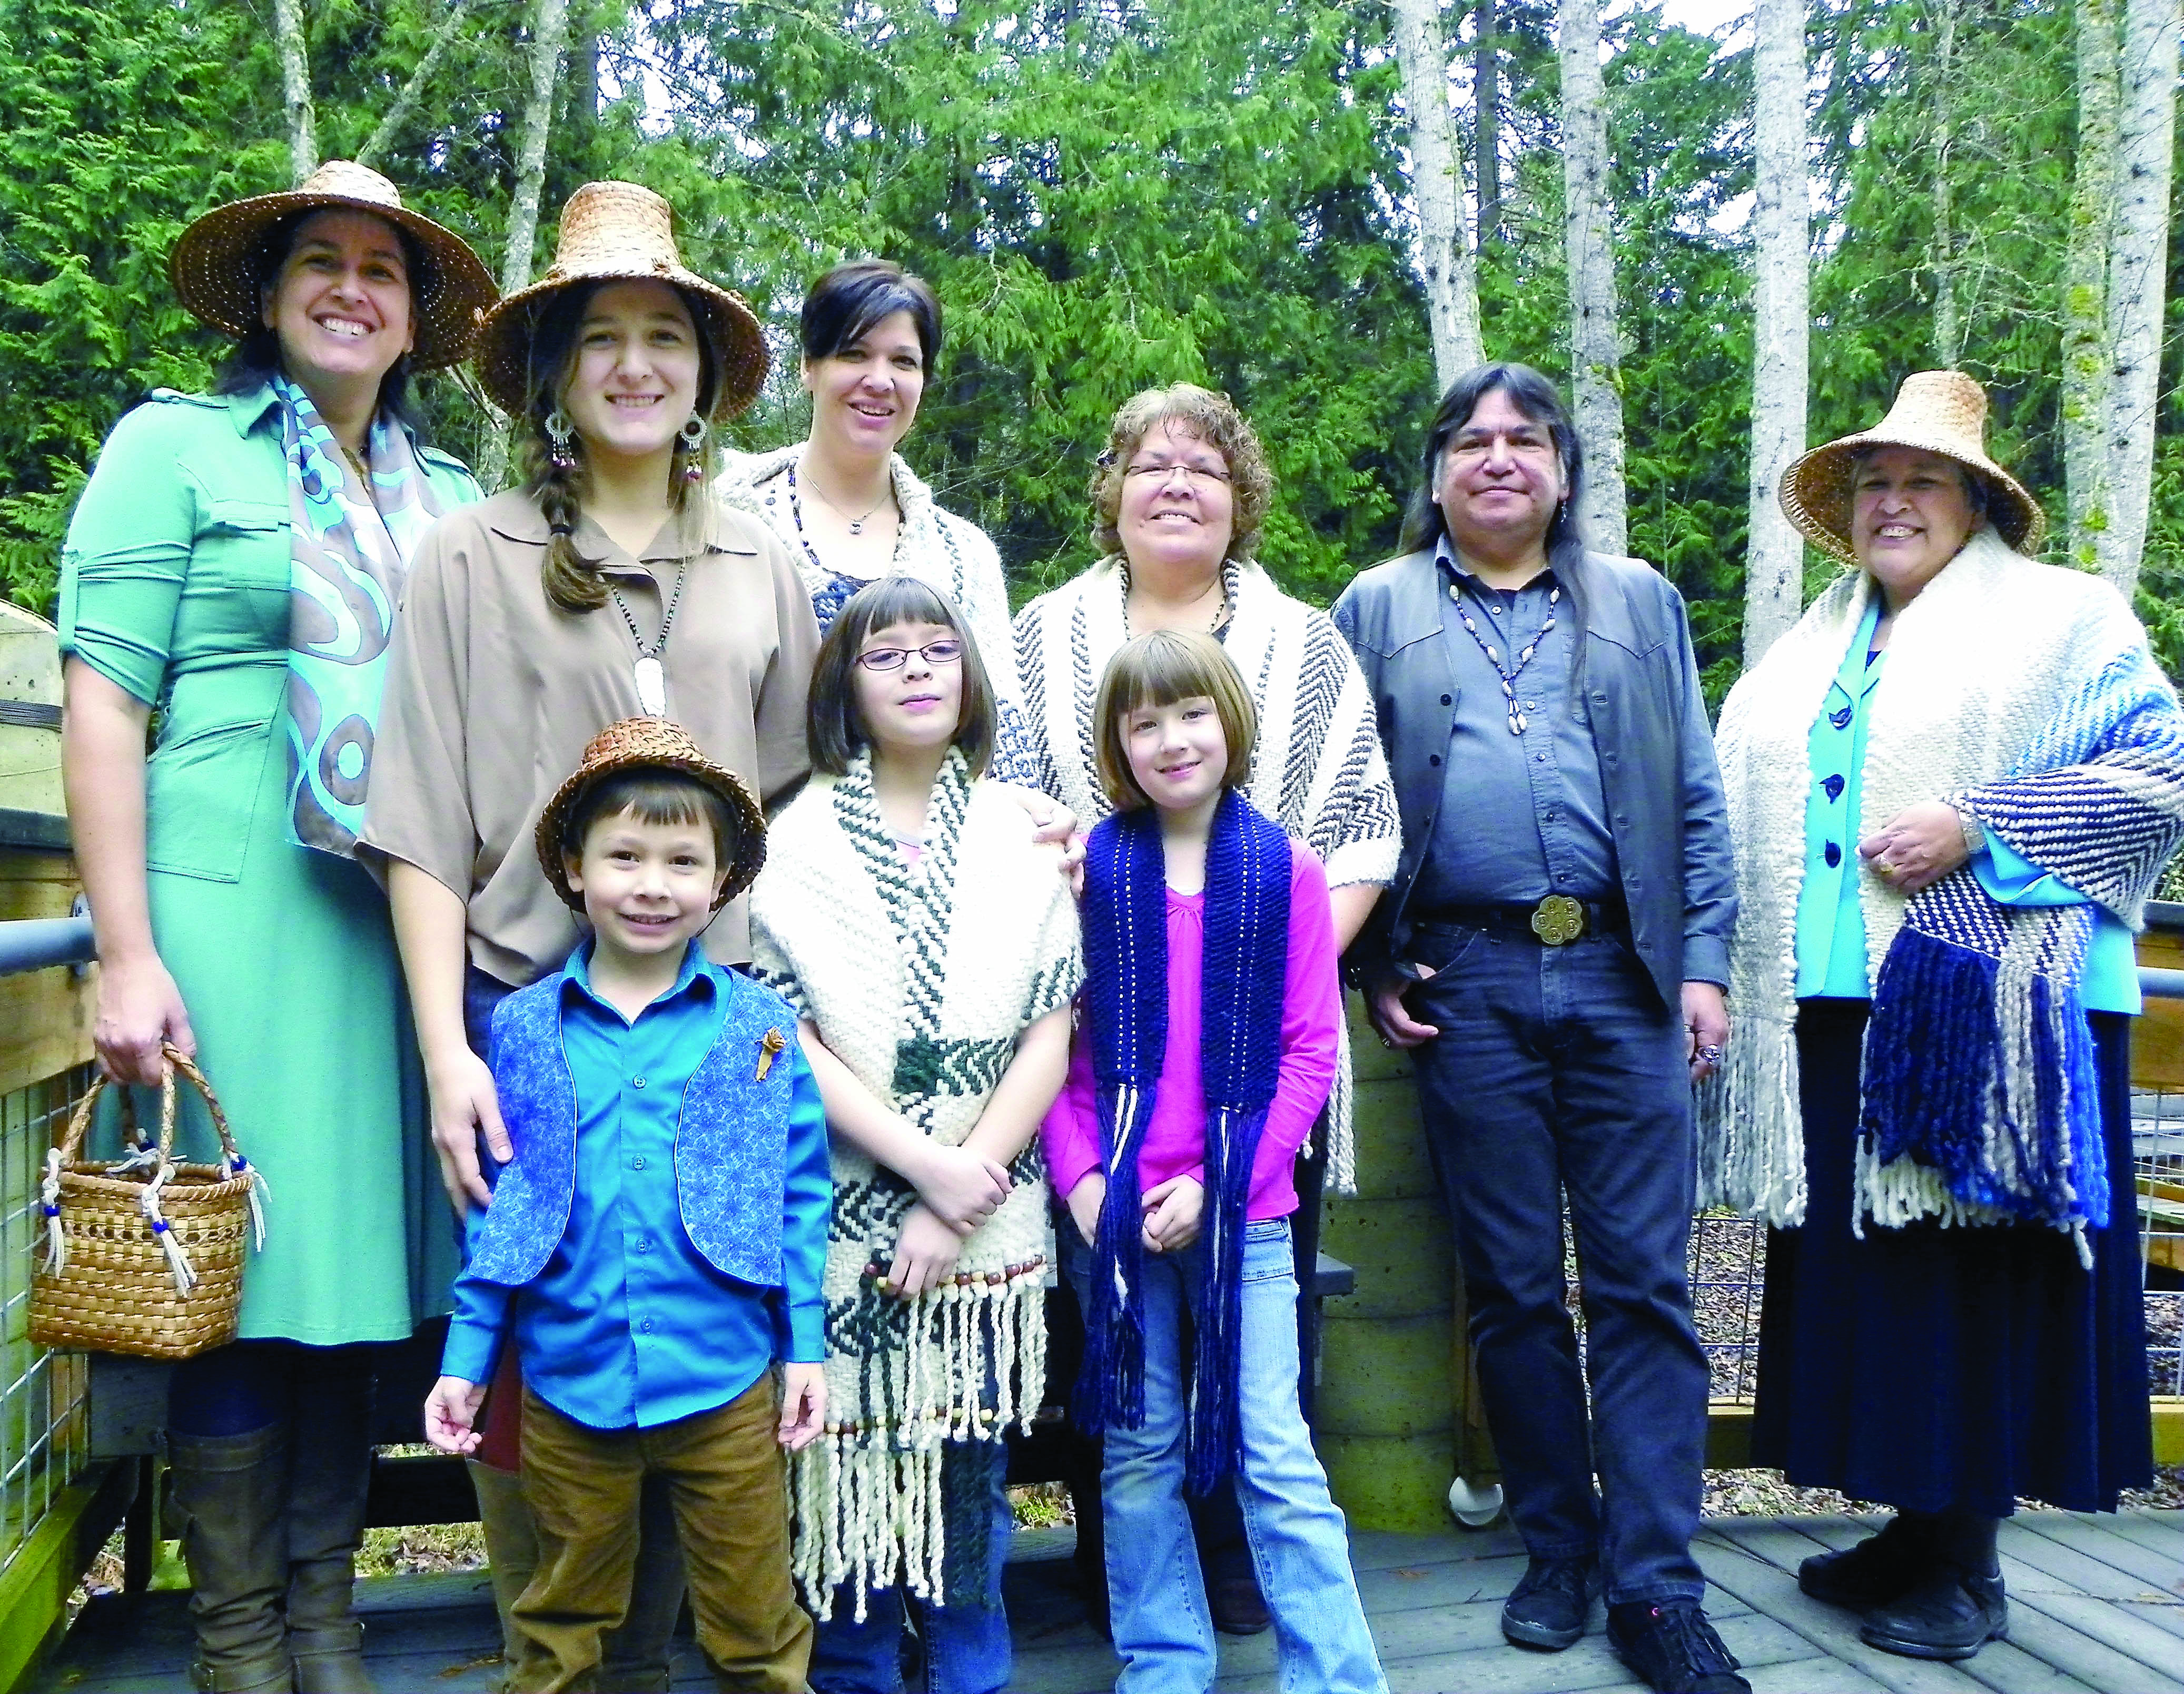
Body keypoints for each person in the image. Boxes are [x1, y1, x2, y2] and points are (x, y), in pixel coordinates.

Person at [363, 180, 818, 1687]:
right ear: (552, 368)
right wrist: (447, 1059)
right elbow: (422, 823)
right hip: (525, 1027)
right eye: (603, 336)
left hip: (713, 1029)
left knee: (715, 1355)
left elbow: (795, 801)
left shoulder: (761, 556)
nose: (636, 364)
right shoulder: (464, 556)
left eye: (664, 337)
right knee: (535, 1388)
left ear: (701, 373)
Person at [57, 159, 496, 1694]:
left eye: (384, 267)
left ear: (414, 316)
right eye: (322, 257)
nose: (352, 286)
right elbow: (107, 700)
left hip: (398, 938)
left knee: (354, 1291)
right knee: (240, 1283)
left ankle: (327, 1618)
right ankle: (241, 1644)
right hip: (230, 914)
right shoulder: (174, 450)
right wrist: (126, 948)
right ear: (269, 288)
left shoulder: (451, 500)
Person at [1699, 371, 2182, 1663]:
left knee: (1968, 1273)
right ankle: (1910, 1531)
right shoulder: (1820, 639)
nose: (1891, 501)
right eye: (1872, 482)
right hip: (1839, 1007)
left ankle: (1967, 1570)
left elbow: (2156, 769)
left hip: (1995, 1007)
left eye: (1919, 480)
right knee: (1879, 1286)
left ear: (1974, 499)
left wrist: (1982, 826)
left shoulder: (2066, 620)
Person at [1332, 363, 1744, 1694]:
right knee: (1511, 1290)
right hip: (1469, 983)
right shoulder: (1376, 607)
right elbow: (1344, 802)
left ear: (1562, 470)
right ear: (1437, 468)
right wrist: (1375, 957)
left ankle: (1655, 1582)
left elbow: (1692, 790)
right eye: (1470, 439)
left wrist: (1705, 965)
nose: (1497, 458)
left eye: (1524, 439)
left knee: (1643, 1287)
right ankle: (1555, 1545)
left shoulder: (1640, 603)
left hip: (1625, 980)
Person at [1013, 383, 1397, 1631]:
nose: (1175, 482)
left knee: (1260, 1371)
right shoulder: (1042, 637)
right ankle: (1133, 1592)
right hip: (1093, 1052)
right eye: (1147, 462)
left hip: (1248, 1080)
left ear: (1241, 498)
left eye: (1205, 466)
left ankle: (1240, 1558)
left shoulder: (1307, 641)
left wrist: (1236, 970)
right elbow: (1010, 823)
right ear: (1111, 492)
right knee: (1124, 1381)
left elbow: (1359, 831)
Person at [423, 716, 829, 1693]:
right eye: (625, 856)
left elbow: (798, 1186)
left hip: (723, 1384)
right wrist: (468, 1361)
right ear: (573, 866)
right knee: (561, 1624)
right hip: (573, 1386)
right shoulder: (520, 1030)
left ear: (722, 879)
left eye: (684, 860)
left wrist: (803, 1343)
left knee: (755, 1625)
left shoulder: (761, 1030)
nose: (653, 883)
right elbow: (503, 1209)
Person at [748, 577, 1081, 1694]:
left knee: (970, 1439)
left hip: (990, 1196)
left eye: (939, 649)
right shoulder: (791, 840)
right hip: (847, 1190)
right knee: (842, 1432)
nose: (918, 670)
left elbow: (1053, 1017)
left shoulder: (1019, 830)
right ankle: (851, 1644)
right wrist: (919, 1166)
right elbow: (786, 1032)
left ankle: (968, 1635)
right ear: (845, 684)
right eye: (886, 655)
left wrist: (960, 1188)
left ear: (971, 675)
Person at [1044, 629, 1386, 1694]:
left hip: (1249, 1214)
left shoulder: (1283, 868)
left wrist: (1221, 1183)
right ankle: (1163, 1663)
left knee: (1275, 1454)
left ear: (1229, 725)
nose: (1171, 739)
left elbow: (1309, 1049)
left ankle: (1335, 1674)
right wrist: (1084, 1183)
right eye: (1143, 723)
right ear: (1118, 745)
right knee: (1139, 1455)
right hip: (1119, 1215)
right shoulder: (1094, 870)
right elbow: (1061, 1054)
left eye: (1190, 714)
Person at [717, 260, 1039, 784]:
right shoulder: (722, 524)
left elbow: (1000, 740)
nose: (879, 381)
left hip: (926, 854)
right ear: (808, 366)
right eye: (854, 354)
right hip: (745, 844)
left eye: (903, 361)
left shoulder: (964, 556)